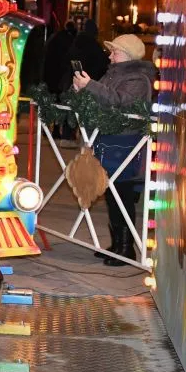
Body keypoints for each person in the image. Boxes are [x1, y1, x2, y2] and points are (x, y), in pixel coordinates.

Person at [71, 33, 155, 266]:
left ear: (127, 54)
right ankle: (117, 244)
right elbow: (103, 99)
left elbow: (119, 101)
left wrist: (90, 85)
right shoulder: (114, 74)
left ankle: (126, 248)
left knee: (121, 192)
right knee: (111, 191)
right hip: (108, 137)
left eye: (115, 52)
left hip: (124, 141)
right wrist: (82, 89)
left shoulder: (137, 79)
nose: (110, 56)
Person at [43, 21, 77, 146]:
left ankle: (46, 128)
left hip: (50, 75)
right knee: (60, 104)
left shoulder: (53, 39)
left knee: (49, 103)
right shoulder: (70, 41)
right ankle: (56, 130)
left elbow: (46, 56)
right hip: (61, 78)